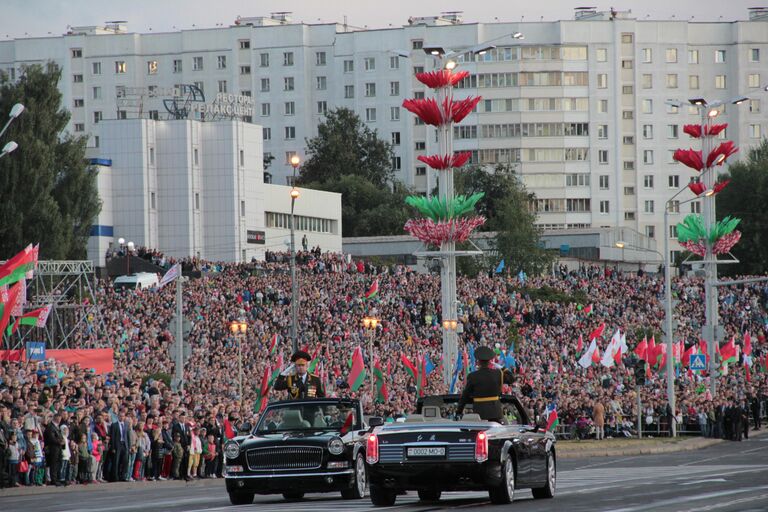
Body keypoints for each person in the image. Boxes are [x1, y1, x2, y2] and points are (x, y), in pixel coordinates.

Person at [456, 346, 515, 422]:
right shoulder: (498, 373)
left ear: (478, 361)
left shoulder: (473, 376)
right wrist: (503, 368)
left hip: (479, 413)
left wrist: (459, 411)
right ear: (490, 361)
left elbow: (465, 395)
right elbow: (511, 379)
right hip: (495, 412)